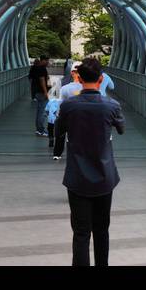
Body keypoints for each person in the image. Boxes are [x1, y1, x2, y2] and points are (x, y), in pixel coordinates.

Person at [54, 56, 125, 266]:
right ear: (101, 78)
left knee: (81, 232)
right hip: (105, 176)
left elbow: (58, 132)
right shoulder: (111, 105)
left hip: (77, 178)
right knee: (102, 229)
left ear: (79, 78)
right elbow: (121, 129)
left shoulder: (69, 105)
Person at [28, 57, 50, 136]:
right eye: (47, 60)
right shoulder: (42, 69)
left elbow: (31, 78)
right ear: (42, 60)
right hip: (41, 92)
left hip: (37, 92)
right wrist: (45, 92)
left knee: (39, 111)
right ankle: (41, 130)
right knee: (43, 111)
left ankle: (38, 129)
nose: (48, 62)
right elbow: (42, 80)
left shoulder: (35, 68)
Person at [44, 85, 62, 152]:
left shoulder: (50, 101)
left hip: (50, 120)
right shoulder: (62, 101)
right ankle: (58, 141)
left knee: (50, 129)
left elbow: (46, 110)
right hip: (59, 120)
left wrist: (47, 114)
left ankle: (51, 139)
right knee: (59, 131)